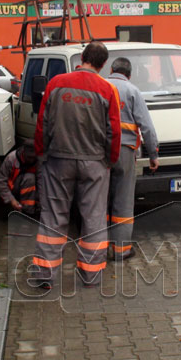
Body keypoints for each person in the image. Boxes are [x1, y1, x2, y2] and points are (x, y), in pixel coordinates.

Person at [33, 41, 121, 289]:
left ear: (82, 57)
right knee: (93, 218)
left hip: (58, 161)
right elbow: (113, 131)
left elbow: (43, 124)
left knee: (53, 216)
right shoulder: (107, 89)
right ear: (103, 64)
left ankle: (45, 275)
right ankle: (90, 274)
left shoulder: (56, 83)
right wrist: (109, 160)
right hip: (94, 163)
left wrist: (42, 153)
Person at [107, 57, 159, 260]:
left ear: (111, 69)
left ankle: (98, 249)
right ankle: (121, 251)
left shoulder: (101, 87)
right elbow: (146, 126)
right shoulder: (132, 91)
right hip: (125, 151)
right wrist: (153, 154)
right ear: (129, 74)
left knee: (99, 201)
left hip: (100, 152)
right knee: (123, 200)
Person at [0, 140, 38, 215]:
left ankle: (28, 211)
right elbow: (0, 181)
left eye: (33, 157)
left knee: (32, 179)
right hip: (11, 190)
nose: (31, 160)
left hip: (28, 189)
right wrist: (11, 199)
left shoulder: (39, 160)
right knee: (30, 178)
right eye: (29, 157)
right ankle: (23, 211)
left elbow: (43, 182)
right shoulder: (11, 158)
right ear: (23, 152)